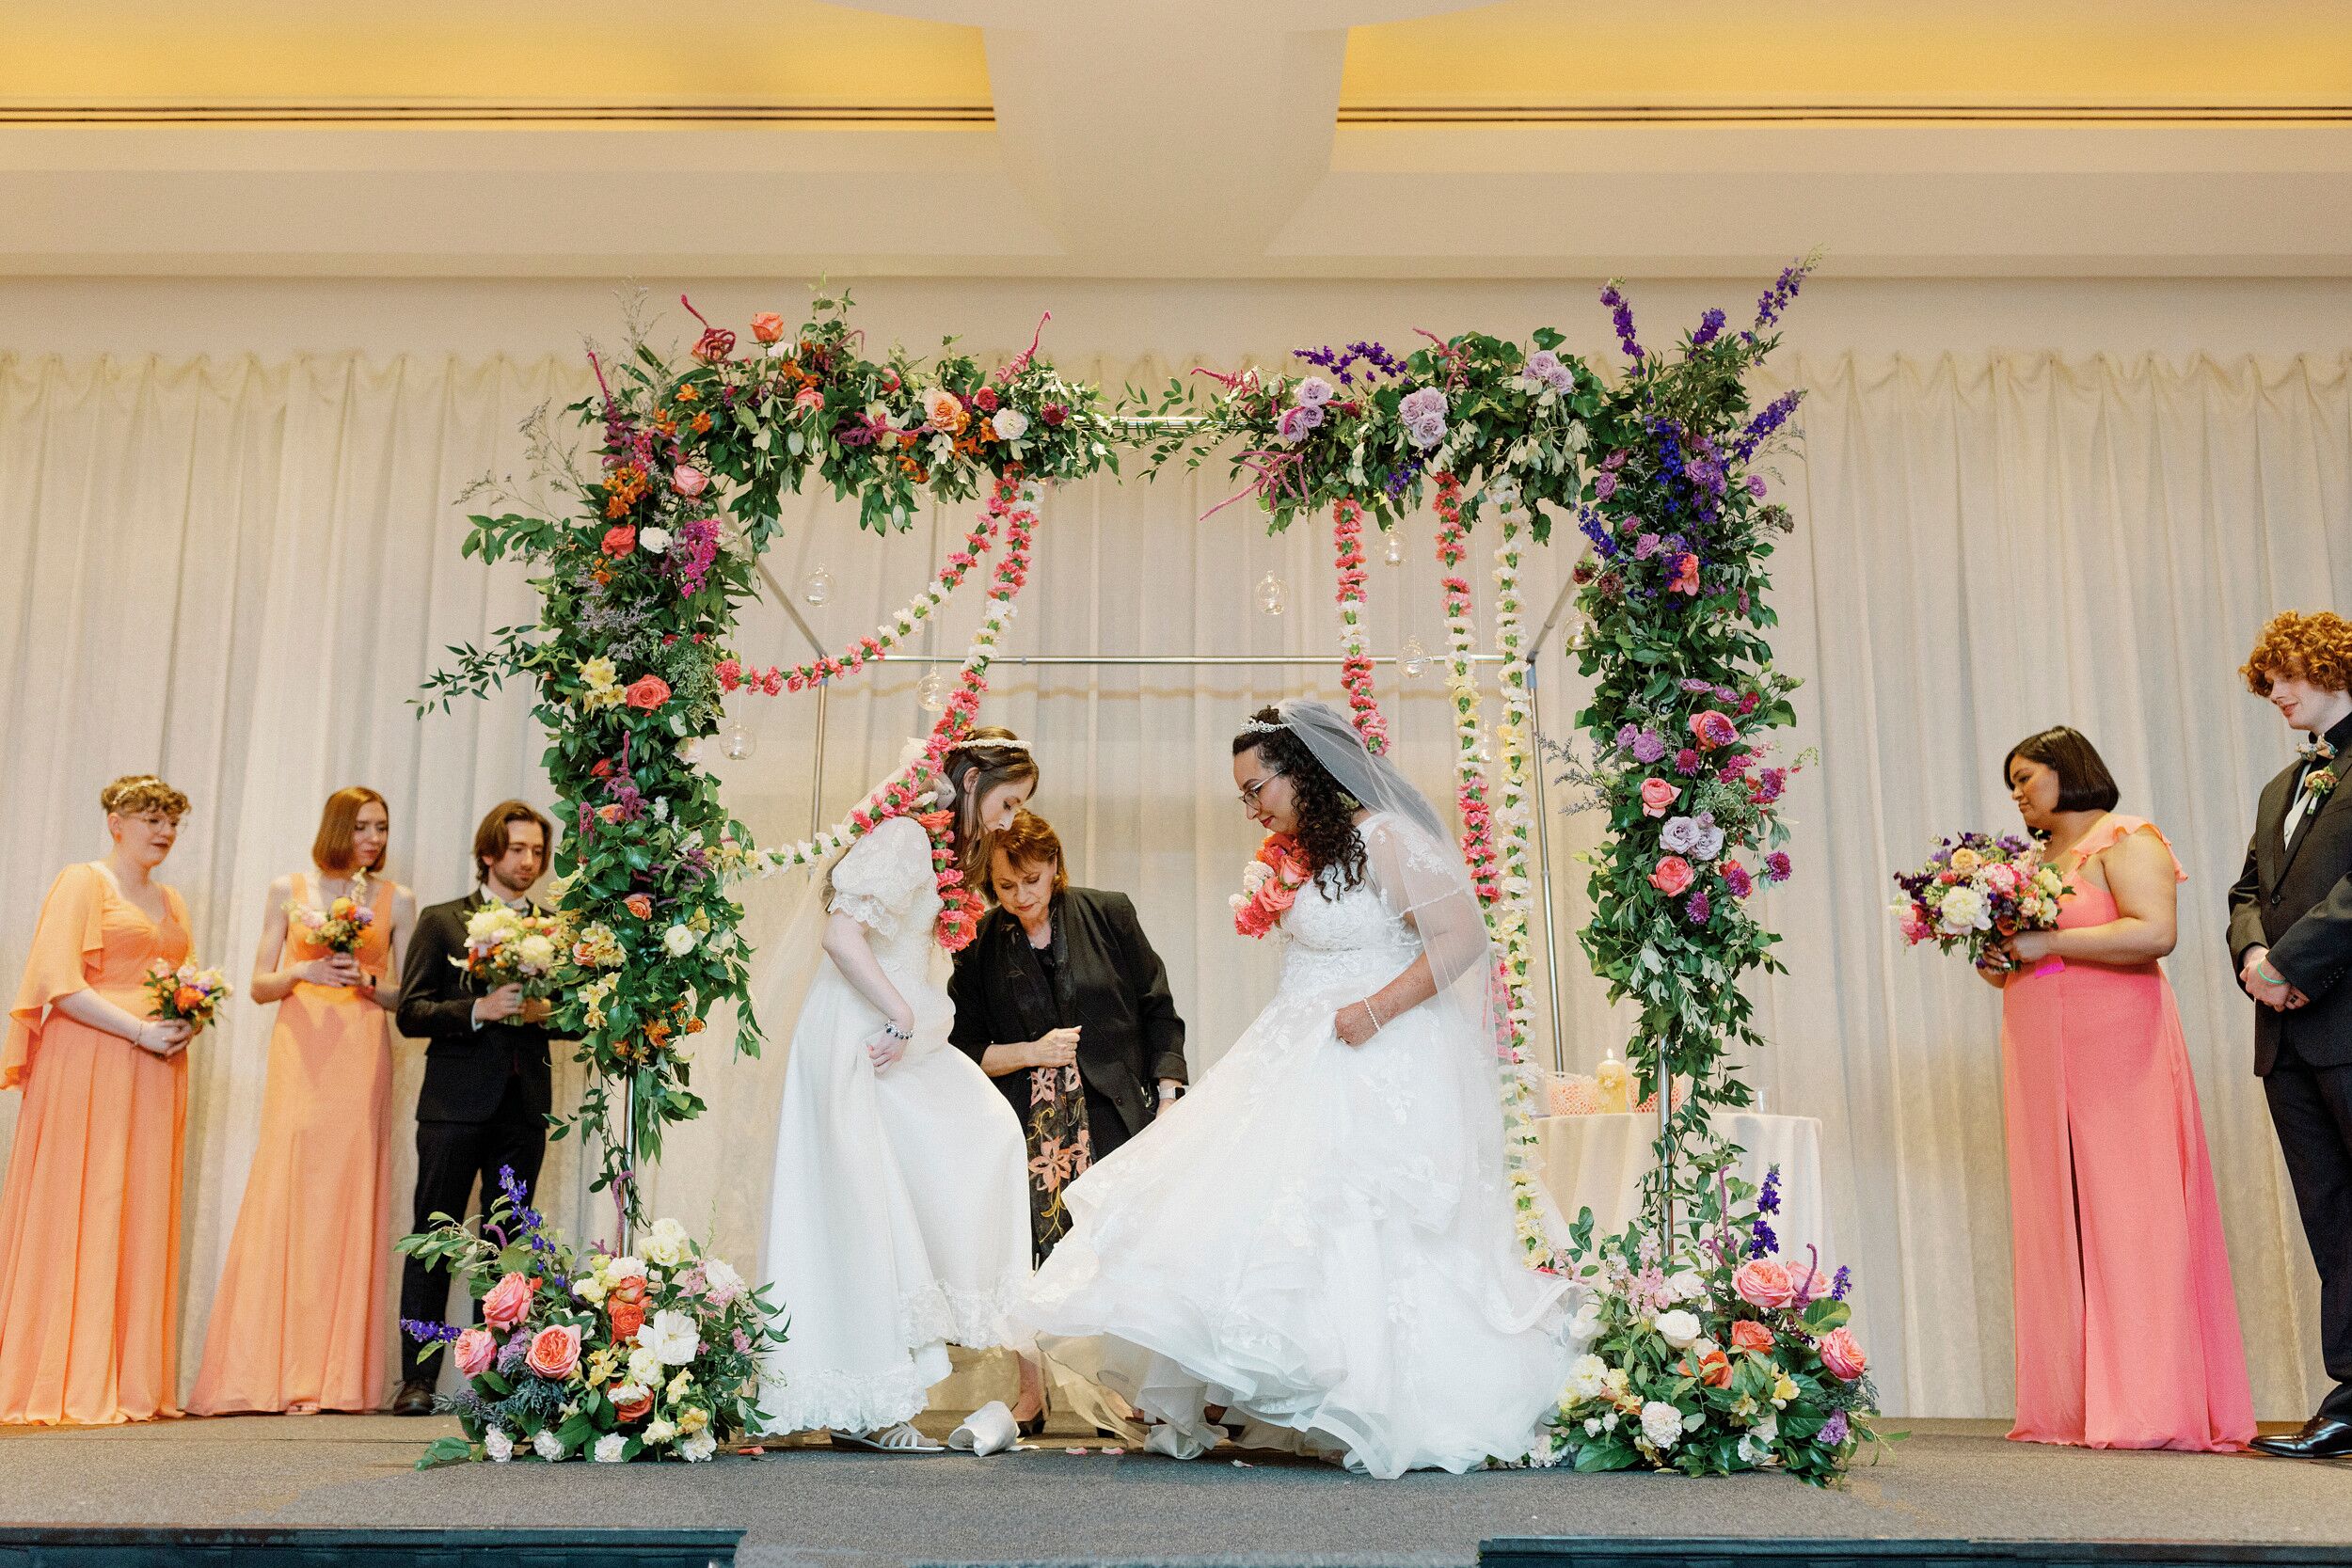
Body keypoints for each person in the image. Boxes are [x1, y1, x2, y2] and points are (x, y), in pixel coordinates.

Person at [1011, 700, 1573, 1478]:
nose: (1251, 808)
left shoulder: (1384, 837)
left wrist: (1376, 1009)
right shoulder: (1305, 854)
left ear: (1300, 771)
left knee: (1365, 1221)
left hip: (1375, 1050)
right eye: (1242, 795)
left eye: (1255, 789)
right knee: (1256, 1210)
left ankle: (1379, 1395)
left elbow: (1462, 938)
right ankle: (1299, 1392)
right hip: (1294, 1048)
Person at [755, 728, 1040, 1452]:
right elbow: (842, 935)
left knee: (979, 1138)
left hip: (899, 1035)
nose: (1008, 822)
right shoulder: (908, 836)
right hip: (866, 1034)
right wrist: (902, 1011)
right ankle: (869, 1402)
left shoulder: (936, 847)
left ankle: (877, 1392)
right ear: (971, 777)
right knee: (863, 1205)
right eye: (1007, 802)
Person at [1975, 726, 2252, 1450]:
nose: (2018, 793)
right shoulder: (2031, 862)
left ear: (2069, 772)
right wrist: (1995, 949)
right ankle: (2075, 1403)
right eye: (2012, 782)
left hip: (2117, 1048)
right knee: (2057, 1211)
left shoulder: (2125, 837)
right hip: (2039, 1048)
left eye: (2026, 776)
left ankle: (2151, 1403)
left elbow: (2155, 932)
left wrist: (2049, 942)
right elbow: (2015, 964)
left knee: (2132, 1212)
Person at [190, 787, 414, 1416]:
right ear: (338, 827)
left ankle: (336, 1375)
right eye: (364, 825)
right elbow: (259, 983)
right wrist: (302, 973)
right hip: (302, 1046)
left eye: (382, 827)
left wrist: (370, 983)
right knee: (288, 1186)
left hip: (362, 1048)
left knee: (346, 1191)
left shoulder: (401, 901)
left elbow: (409, 996)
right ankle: (267, 1368)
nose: (374, 837)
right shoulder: (287, 888)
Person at [0, 775, 203, 1424]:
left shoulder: (171, 897)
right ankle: (62, 1376)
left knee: (137, 1211)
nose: (164, 830)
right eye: (151, 818)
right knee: (81, 1206)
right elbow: (58, 983)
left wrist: (187, 1022)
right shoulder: (82, 881)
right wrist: (141, 1029)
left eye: (172, 820)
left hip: (153, 1073)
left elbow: (189, 982)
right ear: (116, 821)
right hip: (87, 1064)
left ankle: (127, 1381)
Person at [950, 809, 1187, 1261]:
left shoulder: (1109, 912)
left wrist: (1170, 1096)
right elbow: (961, 1048)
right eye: (1006, 886)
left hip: (1116, 1112)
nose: (1021, 896)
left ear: (1055, 865)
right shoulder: (976, 943)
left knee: (1125, 1249)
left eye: (1032, 880)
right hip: (1025, 1129)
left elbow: (1157, 1006)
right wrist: (1030, 1052)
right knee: (1045, 1264)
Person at [2226, 610, 2352, 1459]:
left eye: (2286, 675)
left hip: (2344, 1015)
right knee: (2332, 1216)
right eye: (2267, 680)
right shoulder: (2282, 784)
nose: (2274, 691)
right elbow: (2245, 888)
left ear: (2333, 664)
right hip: (2286, 1039)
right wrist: (2254, 953)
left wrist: (2293, 962)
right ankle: (2351, 1389)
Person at [390, 800, 556, 1416]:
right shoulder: (442, 921)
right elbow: (411, 1012)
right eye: (517, 849)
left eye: (537, 850)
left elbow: (564, 1017)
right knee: (434, 1239)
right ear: (488, 852)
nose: (528, 861)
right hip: (453, 1106)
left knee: (509, 1241)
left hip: (524, 1105)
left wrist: (545, 1011)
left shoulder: (550, 927)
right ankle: (416, 1379)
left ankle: (505, 1374)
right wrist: (476, 1010)